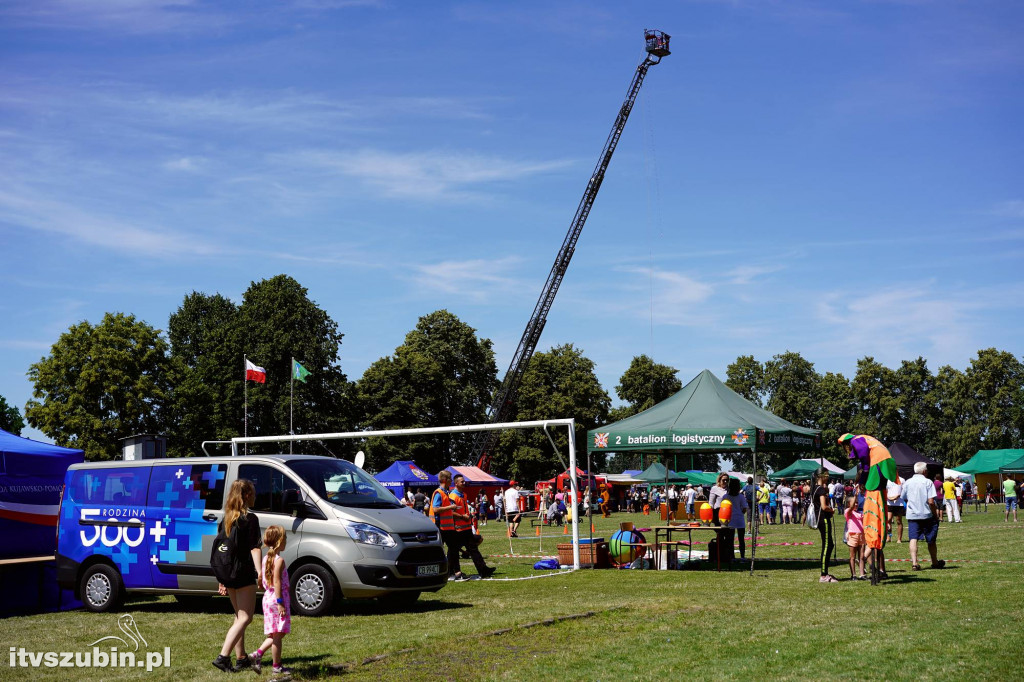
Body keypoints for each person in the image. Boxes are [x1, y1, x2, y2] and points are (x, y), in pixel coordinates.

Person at [212, 480, 263, 673]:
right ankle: (223, 657)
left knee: (238, 616)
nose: (256, 496)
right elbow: (255, 548)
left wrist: (221, 579)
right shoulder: (250, 519)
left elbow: (222, 552)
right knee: (246, 618)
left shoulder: (226, 519)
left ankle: (241, 658)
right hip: (242, 573)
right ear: (247, 496)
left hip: (228, 573)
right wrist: (259, 573)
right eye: (254, 493)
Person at [248, 526, 291, 675]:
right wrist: (280, 602)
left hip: (267, 598)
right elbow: (277, 582)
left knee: (275, 633)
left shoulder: (266, 558)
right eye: (285, 538)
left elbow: (263, 578)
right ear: (279, 542)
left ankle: (257, 654)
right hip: (276, 599)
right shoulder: (279, 560)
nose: (286, 541)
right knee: (278, 635)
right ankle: (276, 666)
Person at [449, 474, 496, 579]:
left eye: (464, 481)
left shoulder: (464, 495)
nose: (464, 483)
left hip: (466, 527)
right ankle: (450, 571)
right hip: (457, 528)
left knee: (473, 549)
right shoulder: (453, 496)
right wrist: (462, 517)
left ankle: (483, 570)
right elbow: (450, 512)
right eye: (462, 481)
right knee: (453, 551)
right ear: (456, 483)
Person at [902, 462, 945, 570]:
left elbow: (903, 497)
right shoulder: (927, 482)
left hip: (912, 515)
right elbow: (931, 501)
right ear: (924, 471)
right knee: (931, 540)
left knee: (913, 538)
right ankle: (935, 562)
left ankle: (915, 563)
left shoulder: (907, 482)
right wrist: (936, 515)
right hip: (926, 515)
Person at [430, 470, 462, 579]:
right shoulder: (439, 492)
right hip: (441, 526)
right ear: (444, 480)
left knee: (453, 548)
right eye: (450, 479)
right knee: (448, 549)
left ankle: (452, 571)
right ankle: (453, 572)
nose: (451, 482)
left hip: (447, 526)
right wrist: (451, 507)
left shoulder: (446, 492)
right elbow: (435, 509)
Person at [812, 469, 838, 583]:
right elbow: (823, 506)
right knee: (827, 545)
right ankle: (823, 575)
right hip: (824, 519)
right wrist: (831, 510)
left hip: (820, 520)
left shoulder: (815, 488)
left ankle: (825, 572)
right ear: (821, 476)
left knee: (829, 544)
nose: (828, 477)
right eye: (826, 475)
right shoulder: (821, 489)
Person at [721, 478, 750, 561]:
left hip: (730, 519)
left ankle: (732, 557)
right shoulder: (741, 496)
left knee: (730, 540)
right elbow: (744, 508)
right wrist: (740, 513)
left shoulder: (725, 496)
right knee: (741, 539)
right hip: (740, 519)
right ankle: (742, 556)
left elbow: (723, 508)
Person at [844, 484, 866, 580]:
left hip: (861, 536)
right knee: (852, 556)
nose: (856, 504)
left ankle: (862, 574)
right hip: (853, 536)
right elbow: (852, 507)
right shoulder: (848, 512)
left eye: (857, 503)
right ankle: (853, 575)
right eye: (854, 503)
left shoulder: (859, 513)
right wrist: (856, 495)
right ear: (849, 504)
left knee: (861, 556)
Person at [887, 476, 905, 543]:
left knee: (898, 521)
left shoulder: (902, 480)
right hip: (889, 503)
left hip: (899, 503)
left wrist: (897, 496)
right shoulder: (887, 480)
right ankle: (889, 537)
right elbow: (885, 490)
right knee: (888, 520)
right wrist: (888, 497)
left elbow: (904, 490)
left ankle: (899, 539)